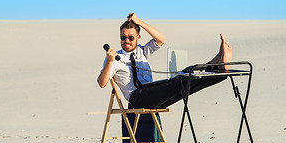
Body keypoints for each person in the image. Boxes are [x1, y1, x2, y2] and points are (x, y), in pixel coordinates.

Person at [97, 13, 233, 109]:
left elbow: (161, 39)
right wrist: (109, 62)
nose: (126, 41)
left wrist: (139, 22)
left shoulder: (141, 51)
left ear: (138, 37)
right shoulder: (113, 58)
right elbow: (102, 83)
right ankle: (217, 65)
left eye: (131, 38)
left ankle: (216, 65)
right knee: (179, 81)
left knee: (185, 76)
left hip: (151, 92)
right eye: (123, 37)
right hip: (138, 98)